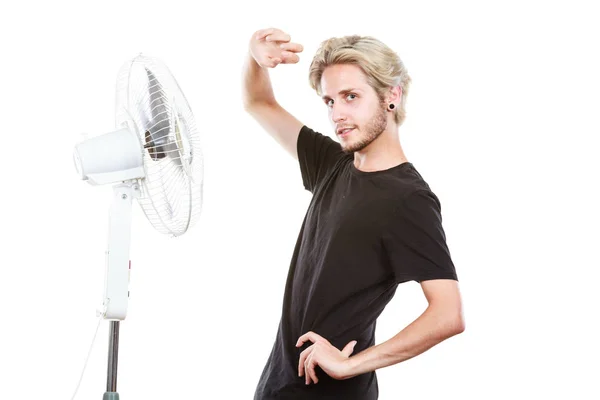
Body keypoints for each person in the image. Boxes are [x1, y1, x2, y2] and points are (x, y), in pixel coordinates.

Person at [242, 27, 465, 400]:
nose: (337, 114)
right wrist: (254, 57)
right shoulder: (331, 163)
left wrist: (350, 364)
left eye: (351, 97)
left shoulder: (408, 199)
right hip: (278, 387)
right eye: (330, 101)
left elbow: (448, 313)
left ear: (391, 96)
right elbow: (258, 102)